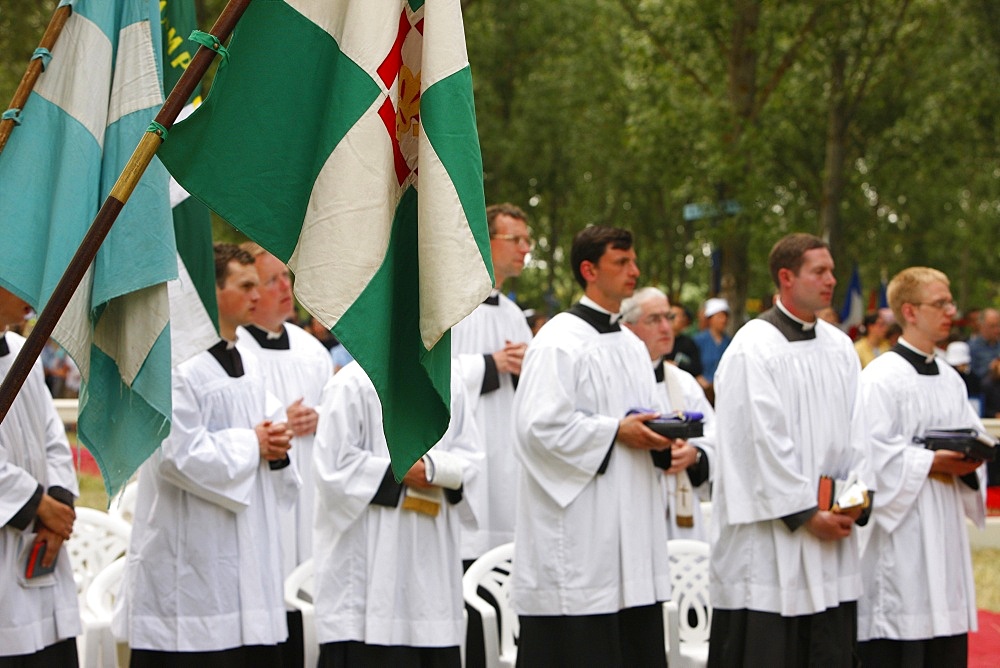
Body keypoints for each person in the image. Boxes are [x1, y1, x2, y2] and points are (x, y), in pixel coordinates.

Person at [114, 243, 299, 666]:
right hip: (188, 560)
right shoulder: (176, 366)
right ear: (210, 289)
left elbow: (272, 429)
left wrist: (275, 445)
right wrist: (255, 444)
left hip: (247, 550)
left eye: (258, 285)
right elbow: (176, 454)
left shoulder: (250, 362)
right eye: (246, 285)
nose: (258, 295)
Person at [708, 233, 873, 667]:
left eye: (832, 271)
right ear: (786, 277)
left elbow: (860, 431)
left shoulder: (839, 346)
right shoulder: (753, 347)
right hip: (771, 543)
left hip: (831, 534)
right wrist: (805, 514)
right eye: (819, 271)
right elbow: (756, 442)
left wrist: (853, 499)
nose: (832, 280)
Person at [512, 226, 673, 667]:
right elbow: (536, 430)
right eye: (621, 262)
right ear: (589, 270)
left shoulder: (631, 345)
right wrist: (615, 431)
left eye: (633, 261)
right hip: (583, 536)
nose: (634, 271)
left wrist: (665, 436)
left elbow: (645, 415)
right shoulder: (558, 340)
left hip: (633, 529)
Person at [312, 362, 482, 667]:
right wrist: (396, 472)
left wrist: (433, 469)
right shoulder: (351, 383)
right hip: (368, 576)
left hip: (433, 574)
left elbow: (472, 457)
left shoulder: (448, 380)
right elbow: (332, 469)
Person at [856, 267, 986, 667]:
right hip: (902, 536)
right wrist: (931, 461)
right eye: (940, 303)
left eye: (950, 301)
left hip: (944, 529)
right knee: (903, 637)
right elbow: (868, 457)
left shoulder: (950, 379)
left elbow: (974, 437)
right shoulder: (880, 377)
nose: (951, 310)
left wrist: (971, 461)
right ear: (909, 312)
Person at [236, 243, 333, 665]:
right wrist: (278, 422)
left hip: (310, 487)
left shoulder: (311, 349)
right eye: (271, 280)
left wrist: (321, 417)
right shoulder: (234, 347)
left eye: (285, 277)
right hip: (263, 491)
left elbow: (337, 409)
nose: (284, 288)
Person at [450, 203, 533, 666]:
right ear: (487, 240)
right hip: (468, 452)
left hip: (507, 457)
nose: (525, 249)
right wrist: (490, 365)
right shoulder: (453, 301)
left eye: (526, 240)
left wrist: (525, 368)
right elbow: (432, 372)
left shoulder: (515, 314)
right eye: (515, 239)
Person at [0, 287, 80, 666]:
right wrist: (38, 505)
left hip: (41, 542)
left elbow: (53, 436)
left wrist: (58, 506)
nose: (29, 288)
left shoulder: (23, 351)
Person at [621, 287, 716, 541]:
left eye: (668, 318)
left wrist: (695, 455)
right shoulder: (617, 382)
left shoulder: (684, 383)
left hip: (680, 509)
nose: (666, 328)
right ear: (627, 327)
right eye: (654, 319)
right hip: (631, 509)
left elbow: (716, 437)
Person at [692, 297, 731, 401]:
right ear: (710, 319)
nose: (723, 320)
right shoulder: (698, 340)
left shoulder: (729, 342)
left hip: (723, 391)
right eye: (719, 316)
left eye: (725, 316)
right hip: (702, 393)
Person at [664, 303, 704, 378]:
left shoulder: (689, 343)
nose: (680, 319)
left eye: (682, 316)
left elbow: (697, 369)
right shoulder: (660, 340)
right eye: (672, 316)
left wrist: (677, 365)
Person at [969, 308, 1000, 388]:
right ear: (981, 326)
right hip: (984, 390)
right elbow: (972, 374)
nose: (997, 330)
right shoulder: (972, 347)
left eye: (998, 325)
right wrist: (991, 369)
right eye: (992, 326)